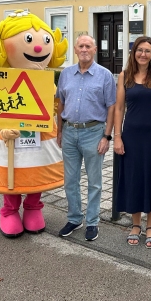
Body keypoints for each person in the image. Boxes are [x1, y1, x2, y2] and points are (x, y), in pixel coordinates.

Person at [0, 10, 68, 237]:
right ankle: (9, 211)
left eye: (44, 40)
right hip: (11, 136)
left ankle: (33, 207)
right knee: (12, 172)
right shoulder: (4, 79)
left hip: (40, 136)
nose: (37, 47)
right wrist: (2, 128)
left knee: (37, 172)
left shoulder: (47, 81)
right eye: (28, 40)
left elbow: (55, 106)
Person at [113, 36, 151, 249]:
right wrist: (117, 136)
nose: (143, 54)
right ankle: (136, 224)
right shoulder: (125, 75)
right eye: (140, 50)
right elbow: (119, 108)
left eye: (148, 51)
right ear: (133, 52)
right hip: (131, 136)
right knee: (134, 179)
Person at [56, 34, 116, 241]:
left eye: (88, 46)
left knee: (94, 182)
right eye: (80, 46)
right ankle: (74, 218)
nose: (84, 49)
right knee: (70, 180)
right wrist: (59, 130)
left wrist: (107, 136)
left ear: (95, 49)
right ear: (75, 49)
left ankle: (92, 222)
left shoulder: (105, 75)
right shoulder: (66, 74)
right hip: (69, 132)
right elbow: (60, 103)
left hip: (94, 133)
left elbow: (112, 107)